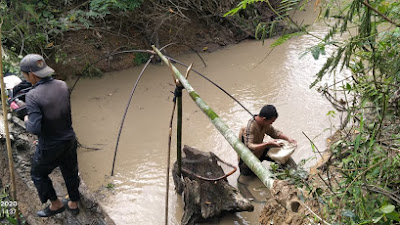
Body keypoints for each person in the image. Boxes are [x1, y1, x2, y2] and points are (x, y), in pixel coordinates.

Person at [20, 54, 80, 217]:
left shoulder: (32, 96)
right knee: (70, 170)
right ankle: (74, 202)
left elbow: (35, 129)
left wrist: (26, 119)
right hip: (69, 139)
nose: (25, 78)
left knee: (38, 174)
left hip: (50, 145)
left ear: (31, 74)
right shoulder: (62, 85)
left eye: (25, 75)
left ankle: (56, 204)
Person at [238, 104, 297, 176]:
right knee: (249, 177)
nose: (271, 124)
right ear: (264, 119)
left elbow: (274, 133)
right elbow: (250, 146)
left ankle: (293, 172)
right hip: (248, 158)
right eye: (271, 122)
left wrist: (288, 138)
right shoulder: (249, 127)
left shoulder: (264, 124)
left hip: (260, 151)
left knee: (281, 151)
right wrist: (268, 144)